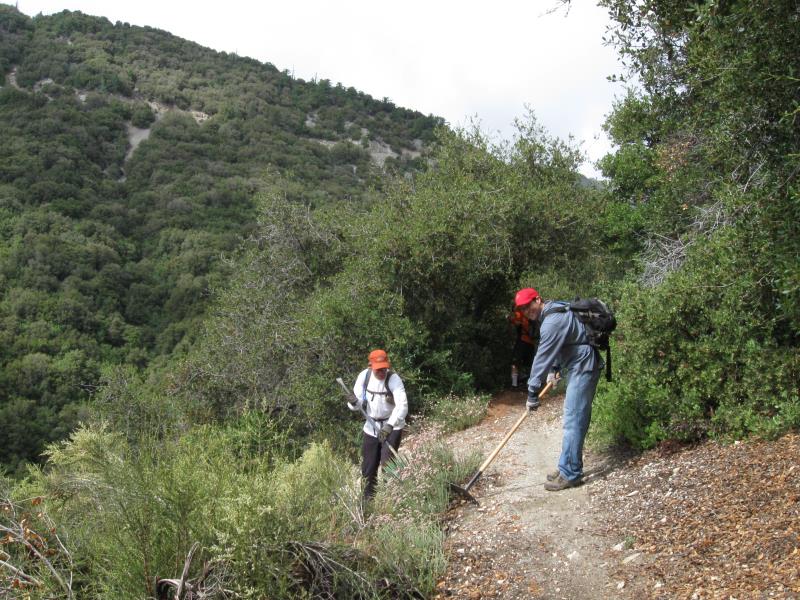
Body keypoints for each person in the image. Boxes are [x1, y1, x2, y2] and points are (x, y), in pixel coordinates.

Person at [514, 287, 601, 492]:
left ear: (538, 299)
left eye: (528, 305)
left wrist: (532, 392)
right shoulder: (555, 311)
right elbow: (560, 344)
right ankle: (566, 466)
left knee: (573, 419)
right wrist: (554, 369)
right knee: (573, 418)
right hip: (580, 364)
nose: (527, 311)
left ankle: (570, 473)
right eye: (522, 309)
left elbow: (542, 357)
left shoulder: (551, 321)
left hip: (584, 366)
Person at [348, 349, 409, 500]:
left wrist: (390, 426)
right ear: (371, 366)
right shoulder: (364, 377)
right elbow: (358, 404)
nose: (382, 372)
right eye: (378, 369)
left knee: (388, 465)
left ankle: (392, 500)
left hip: (392, 426)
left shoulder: (394, 379)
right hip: (371, 426)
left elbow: (402, 406)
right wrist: (353, 403)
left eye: (384, 368)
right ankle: (368, 500)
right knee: (368, 467)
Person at [508, 304, 539, 387]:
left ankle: (514, 384)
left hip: (522, 341)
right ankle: (531, 383)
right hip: (531, 343)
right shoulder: (529, 315)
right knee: (530, 364)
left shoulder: (518, 313)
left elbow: (517, 323)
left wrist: (510, 319)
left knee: (515, 362)